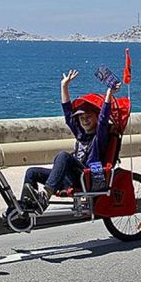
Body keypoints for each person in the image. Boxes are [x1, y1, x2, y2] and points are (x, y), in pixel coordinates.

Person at [21, 69, 119, 212]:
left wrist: (109, 94)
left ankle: (45, 197)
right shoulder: (80, 133)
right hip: (68, 178)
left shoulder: (99, 138)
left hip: (86, 177)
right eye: (81, 118)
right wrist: (64, 86)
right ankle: (26, 209)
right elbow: (68, 113)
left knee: (63, 156)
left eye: (88, 116)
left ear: (96, 117)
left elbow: (104, 119)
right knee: (31, 172)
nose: (84, 120)